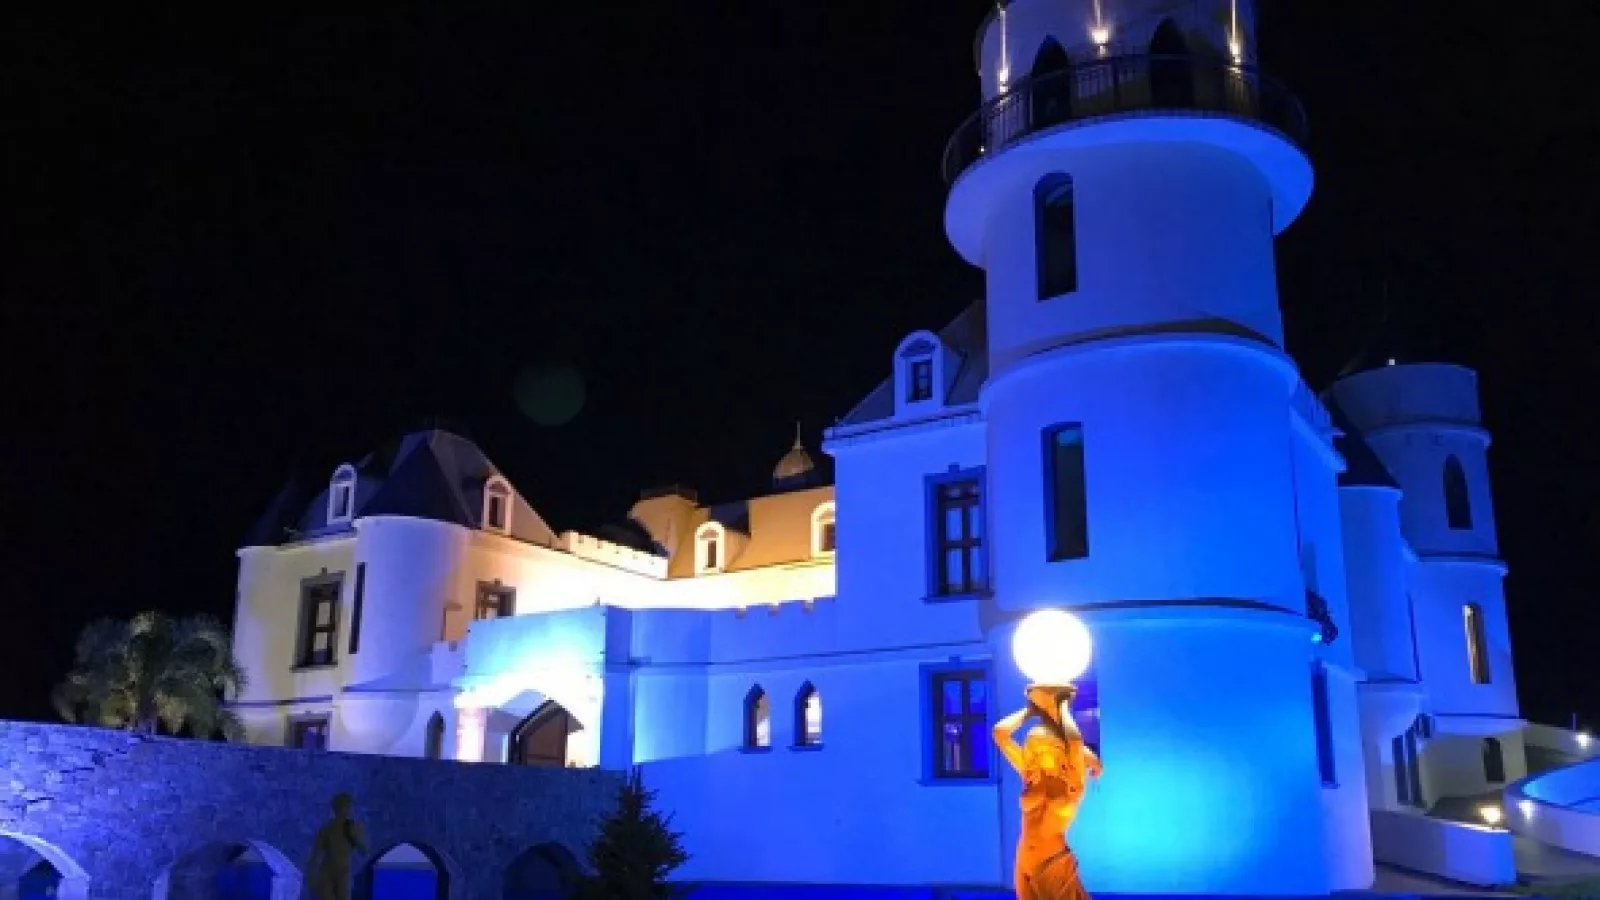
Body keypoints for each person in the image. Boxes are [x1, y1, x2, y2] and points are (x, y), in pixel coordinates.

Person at [993, 684, 1104, 900]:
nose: (1036, 752)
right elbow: (1000, 733)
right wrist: (1030, 710)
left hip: (1052, 862)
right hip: (1024, 860)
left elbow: (1074, 742)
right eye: (1034, 748)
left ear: (1059, 753)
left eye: (1042, 747)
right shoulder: (1030, 776)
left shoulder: (1072, 783)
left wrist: (1062, 707)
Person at [307, 792, 369, 900]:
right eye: (343, 807)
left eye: (347, 807)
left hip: (342, 874)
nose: (346, 810)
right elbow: (315, 856)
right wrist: (311, 879)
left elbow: (364, 850)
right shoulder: (327, 829)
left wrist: (354, 837)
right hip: (328, 874)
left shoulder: (352, 827)